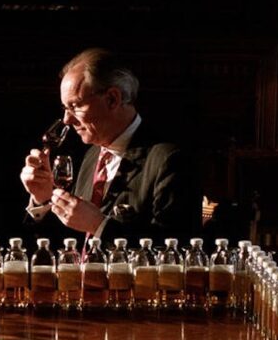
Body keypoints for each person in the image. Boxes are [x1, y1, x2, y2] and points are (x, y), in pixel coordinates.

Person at [20, 48, 200, 244]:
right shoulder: (89, 156)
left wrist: (99, 225)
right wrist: (43, 199)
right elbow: (69, 243)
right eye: (65, 108)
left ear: (113, 99)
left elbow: (175, 250)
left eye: (75, 106)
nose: (66, 120)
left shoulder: (169, 159)